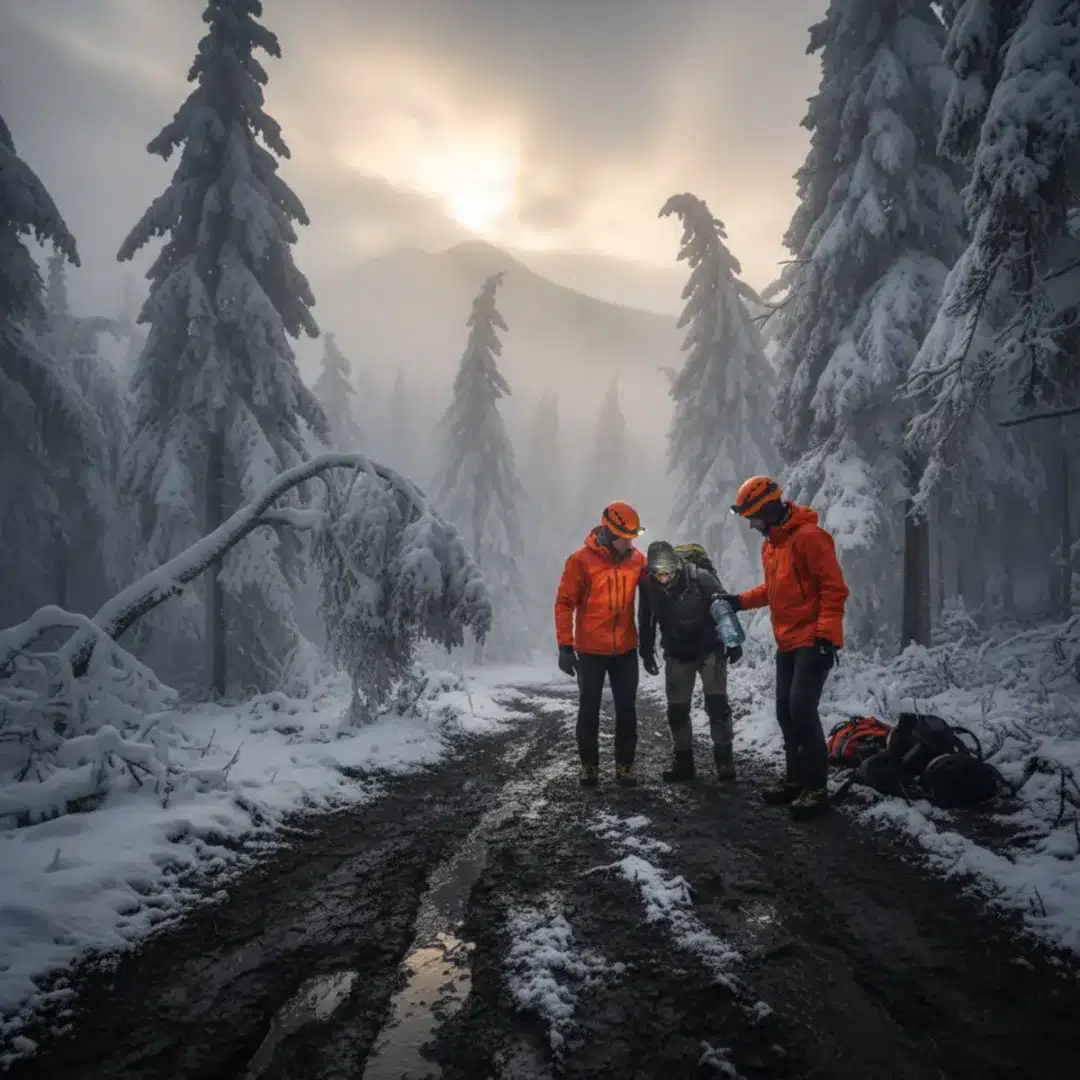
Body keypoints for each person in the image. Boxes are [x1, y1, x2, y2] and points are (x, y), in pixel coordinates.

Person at [719, 476, 849, 821]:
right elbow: (772, 590)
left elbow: (833, 588)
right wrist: (739, 601)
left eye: (753, 516)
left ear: (767, 508)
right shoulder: (772, 545)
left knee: (802, 710)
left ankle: (816, 790)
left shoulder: (810, 538)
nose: (750, 524)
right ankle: (795, 781)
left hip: (812, 641)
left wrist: (826, 635)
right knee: (785, 711)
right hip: (787, 642)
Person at [555, 501, 648, 787]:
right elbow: (564, 603)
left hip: (626, 650)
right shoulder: (580, 561)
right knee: (589, 709)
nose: (630, 542)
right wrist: (565, 646)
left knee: (627, 710)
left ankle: (625, 768)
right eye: (626, 537)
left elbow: (653, 598)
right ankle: (589, 768)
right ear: (609, 532)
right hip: (590, 652)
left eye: (634, 536)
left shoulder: (638, 561)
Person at [637, 541, 743, 783]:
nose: (664, 578)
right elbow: (646, 617)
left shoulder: (701, 577)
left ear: (678, 566)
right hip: (676, 652)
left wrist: (733, 641)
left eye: (669, 573)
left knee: (717, 705)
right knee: (677, 711)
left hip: (709, 649)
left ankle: (725, 761)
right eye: (659, 574)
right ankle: (684, 763)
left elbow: (722, 608)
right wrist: (645, 650)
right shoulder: (648, 584)